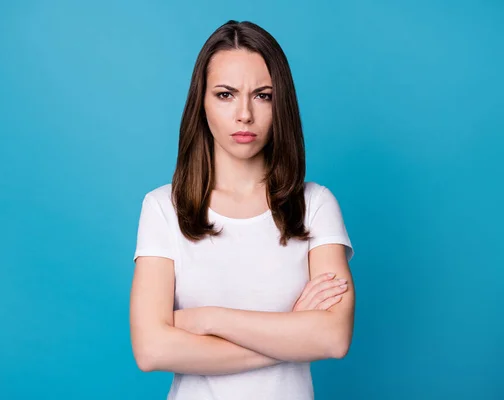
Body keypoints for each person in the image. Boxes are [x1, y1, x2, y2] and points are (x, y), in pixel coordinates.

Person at [129, 19, 355, 400]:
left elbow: (333, 338)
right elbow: (151, 350)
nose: (244, 114)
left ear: (280, 103)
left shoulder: (314, 205)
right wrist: (291, 332)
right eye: (225, 94)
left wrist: (206, 320)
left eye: (263, 95)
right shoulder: (163, 208)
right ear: (200, 102)